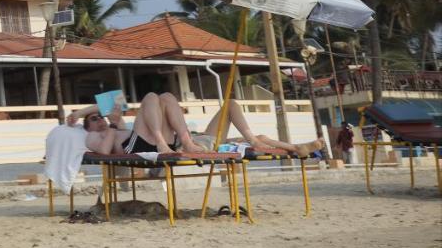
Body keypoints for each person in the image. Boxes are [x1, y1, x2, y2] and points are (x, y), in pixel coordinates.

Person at [69, 91, 323, 157]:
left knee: (166, 98)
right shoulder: (102, 135)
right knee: (151, 98)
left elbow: (116, 101)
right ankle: (169, 141)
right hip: (140, 143)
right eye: (94, 120)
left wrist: (99, 114)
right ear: (87, 127)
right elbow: (102, 152)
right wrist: (83, 114)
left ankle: (187, 140)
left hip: (171, 140)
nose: (99, 120)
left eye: (99, 117)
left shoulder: (116, 118)